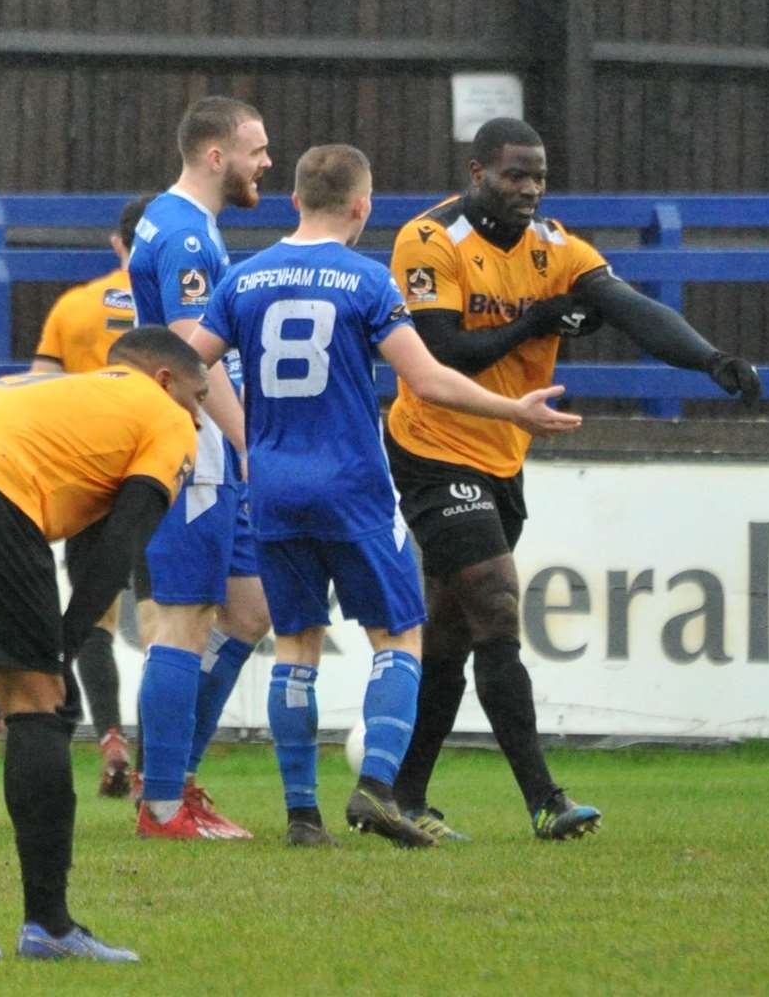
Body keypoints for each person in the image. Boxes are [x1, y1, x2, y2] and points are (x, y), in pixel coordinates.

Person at [189, 144, 583, 848]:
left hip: (273, 484)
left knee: (296, 645)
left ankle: (302, 816)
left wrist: (247, 437)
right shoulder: (367, 281)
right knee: (397, 633)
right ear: (362, 207)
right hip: (350, 483)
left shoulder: (242, 279)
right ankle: (377, 789)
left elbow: (189, 362)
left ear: (294, 201)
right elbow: (429, 381)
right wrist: (514, 412)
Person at [385, 117, 762, 841]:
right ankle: (545, 802)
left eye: (538, 177)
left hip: (502, 451)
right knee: (496, 603)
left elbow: (632, 311)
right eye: (513, 175)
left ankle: (402, 795)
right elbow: (442, 355)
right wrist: (538, 321)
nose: (528, 189)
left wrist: (709, 359)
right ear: (477, 174)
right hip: (432, 446)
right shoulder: (427, 242)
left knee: (452, 630)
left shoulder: (555, 247)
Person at [0, 325, 206, 963]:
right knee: (37, 701)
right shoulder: (164, 416)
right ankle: (48, 926)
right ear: (164, 381)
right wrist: (62, 649)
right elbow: (121, 545)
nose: (200, 416)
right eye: (199, 395)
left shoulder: (65, 394)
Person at [125, 96, 273, 840]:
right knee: (182, 620)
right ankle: (162, 803)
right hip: (193, 450)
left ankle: (174, 776)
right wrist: (250, 440)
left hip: (211, 453)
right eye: (257, 150)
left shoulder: (180, 221)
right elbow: (190, 352)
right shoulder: (185, 234)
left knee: (249, 612)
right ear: (217, 156)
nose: (266, 164)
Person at [29, 191, 151, 798]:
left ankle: (108, 735)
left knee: (96, 612)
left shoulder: (74, 307)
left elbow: (40, 392)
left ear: (116, 243)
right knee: (166, 623)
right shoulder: (186, 299)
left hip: (92, 477)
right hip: (161, 472)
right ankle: (159, 762)